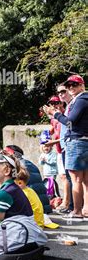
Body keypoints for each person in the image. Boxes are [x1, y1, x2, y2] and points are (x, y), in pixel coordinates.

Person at [43, 74, 88, 221]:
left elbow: (70, 123)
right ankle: (85, 210)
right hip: (83, 141)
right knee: (85, 180)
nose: (71, 88)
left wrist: (55, 114)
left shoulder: (81, 99)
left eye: (74, 85)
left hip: (77, 142)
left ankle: (77, 211)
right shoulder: (81, 99)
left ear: (82, 85)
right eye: (69, 86)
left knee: (76, 179)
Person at [44, 91, 72, 213]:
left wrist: (51, 142)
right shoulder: (54, 119)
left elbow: (63, 135)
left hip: (65, 149)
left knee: (66, 177)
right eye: (51, 103)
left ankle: (67, 202)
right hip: (60, 150)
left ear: (61, 103)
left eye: (56, 103)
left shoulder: (62, 116)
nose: (54, 105)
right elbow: (53, 131)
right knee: (64, 176)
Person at [4, 145, 51, 214]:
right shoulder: (28, 163)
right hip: (42, 207)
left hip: (32, 210)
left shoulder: (17, 166)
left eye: (5, 153)